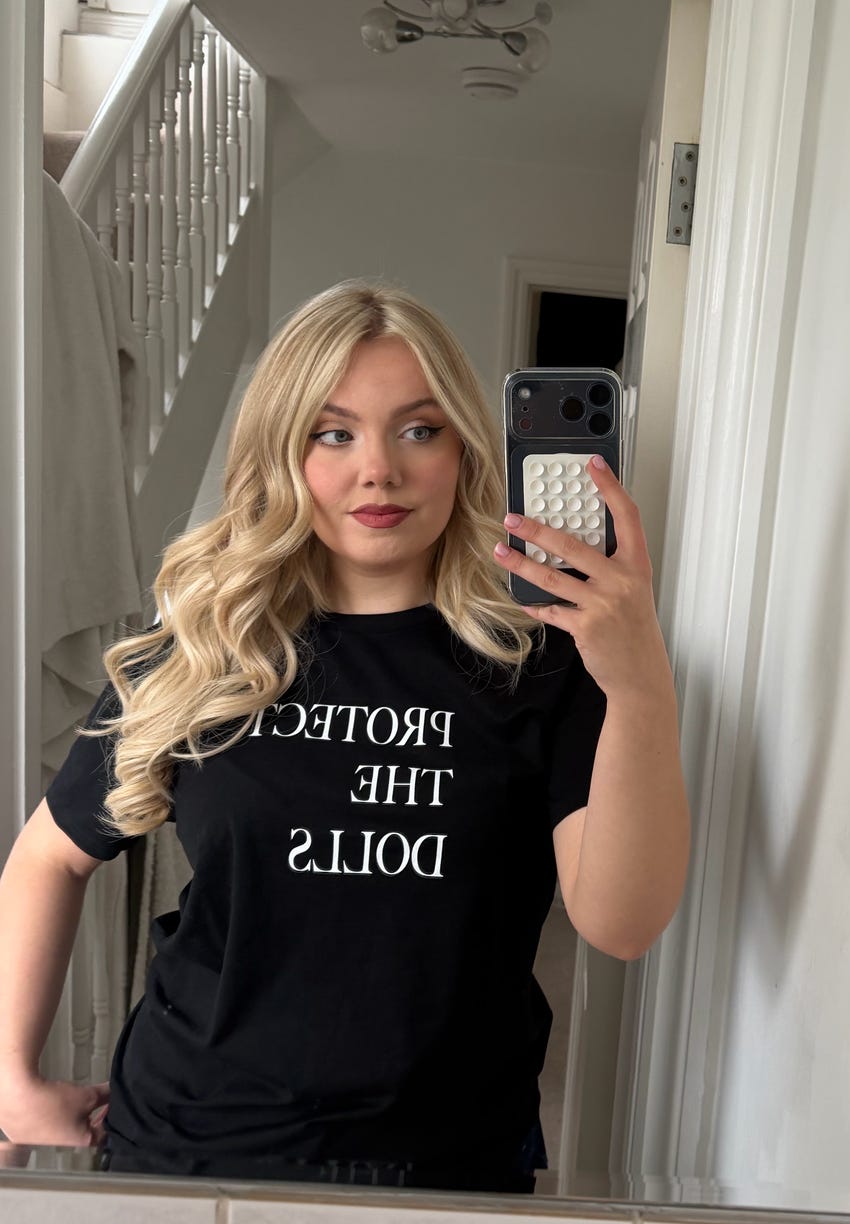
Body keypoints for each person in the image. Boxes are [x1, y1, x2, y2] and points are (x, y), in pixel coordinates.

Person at [0, 281, 689, 1193]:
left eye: (420, 429)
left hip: (452, 1165)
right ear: (283, 450)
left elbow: (623, 925)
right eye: (334, 434)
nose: (379, 471)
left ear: (464, 449)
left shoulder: (543, 661)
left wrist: (639, 682)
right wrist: (10, 1080)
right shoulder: (207, 647)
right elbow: (49, 857)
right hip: (192, 1145)